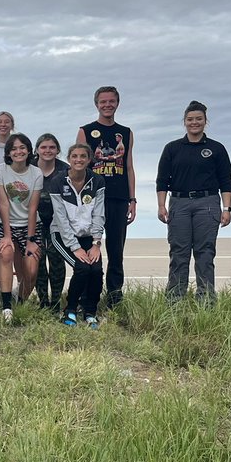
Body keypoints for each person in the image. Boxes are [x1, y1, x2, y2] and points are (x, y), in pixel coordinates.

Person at [155, 101, 231, 304]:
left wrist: (227, 208)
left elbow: (226, 180)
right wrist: (161, 205)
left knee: (205, 253)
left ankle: (206, 301)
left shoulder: (216, 148)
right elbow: (162, 179)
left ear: (205, 121)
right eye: (190, 119)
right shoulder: (172, 148)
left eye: (199, 119)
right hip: (179, 203)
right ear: (184, 122)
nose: (194, 123)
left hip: (207, 203)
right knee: (179, 253)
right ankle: (174, 301)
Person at [77, 86, 135, 308]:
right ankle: (88, 295)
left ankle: (114, 295)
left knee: (116, 250)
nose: (107, 105)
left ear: (117, 103)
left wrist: (133, 199)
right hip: (92, 199)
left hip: (119, 198)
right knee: (90, 247)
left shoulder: (127, 132)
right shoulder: (86, 131)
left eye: (111, 101)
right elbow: (79, 165)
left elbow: (129, 167)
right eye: (103, 102)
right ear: (96, 104)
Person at [49, 143, 105, 328]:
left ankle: (90, 312)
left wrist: (96, 243)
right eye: (74, 156)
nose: (78, 160)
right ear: (69, 159)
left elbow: (98, 213)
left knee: (96, 270)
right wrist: (75, 247)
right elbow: (61, 218)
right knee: (82, 268)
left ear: (89, 160)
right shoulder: (58, 182)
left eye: (83, 156)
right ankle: (70, 309)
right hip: (62, 235)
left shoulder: (97, 180)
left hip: (89, 236)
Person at [0, 133, 43, 323]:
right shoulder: (0, 170)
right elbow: (3, 204)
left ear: (29, 150)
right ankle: (6, 307)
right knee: (6, 253)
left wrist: (30, 241)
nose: (18, 151)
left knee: (31, 270)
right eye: (14, 148)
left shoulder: (36, 173)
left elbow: (33, 207)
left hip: (29, 224)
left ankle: (19, 301)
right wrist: (7, 236)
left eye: (22, 148)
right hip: (3, 221)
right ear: (8, 153)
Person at [33, 133, 69, 312]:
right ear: (37, 150)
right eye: (44, 147)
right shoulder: (29, 168)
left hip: (58, 223)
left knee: (56, 261)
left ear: (57, 150)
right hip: (34, 222)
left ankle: (55, 302)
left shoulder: (65, 170)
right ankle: (42, 301)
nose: (48, 151)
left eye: (52, 147)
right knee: (38, 261)